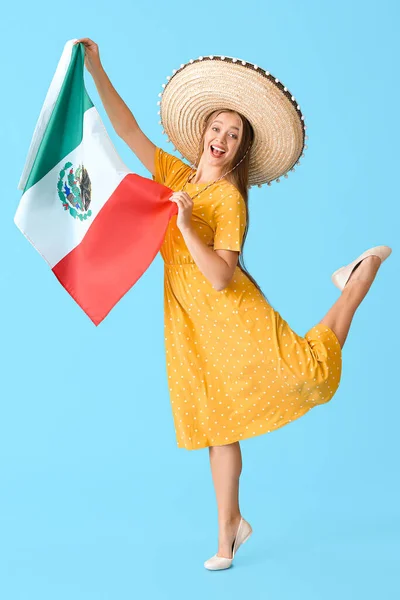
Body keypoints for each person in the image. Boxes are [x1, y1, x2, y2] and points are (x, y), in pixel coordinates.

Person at [73, 39, 392, 571]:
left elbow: (222, 277)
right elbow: (128, 131)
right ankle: (230, 533)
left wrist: (183, 226)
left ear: (241, 149)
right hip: (190, 321)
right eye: (217, 128)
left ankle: (363, 272)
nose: (222, 138)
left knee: (310, 373)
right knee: (218, 426)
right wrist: (97, 69)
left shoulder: (228, 201)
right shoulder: (175, 176)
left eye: (234, 134)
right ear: (203, 132)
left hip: (232, 313)